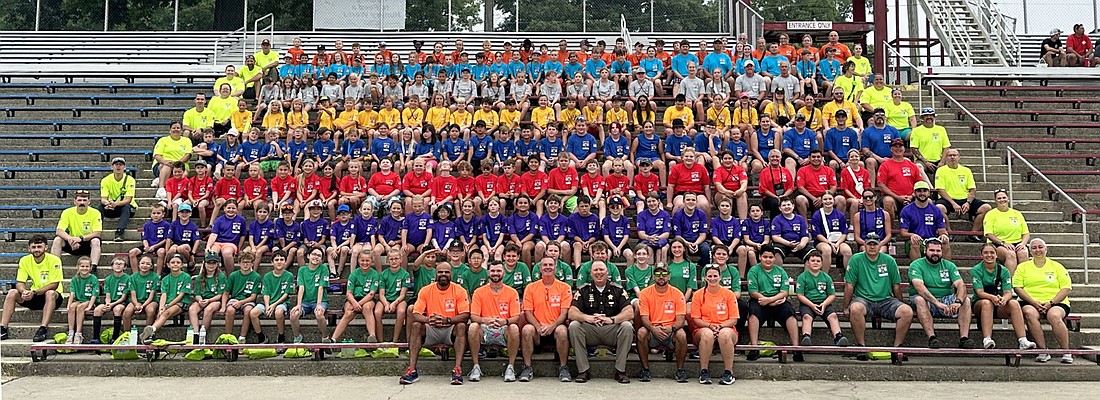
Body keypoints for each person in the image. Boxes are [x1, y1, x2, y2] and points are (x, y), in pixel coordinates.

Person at [400, 263, 470, 385]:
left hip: (450, 328)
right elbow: (416, 313)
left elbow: (465, 315)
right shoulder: (426, 290)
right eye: (440, 272)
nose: (443, 274)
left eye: (446, 272)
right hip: (431, 327)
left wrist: (447, 320)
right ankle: (412, 369)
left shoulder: (459, 290)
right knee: (416, 325)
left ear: (451, 274)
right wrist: (429, 320)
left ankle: (457, 369)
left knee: (462, 326)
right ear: (435, 273)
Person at [844, 233, 913, 352]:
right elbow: (849, 285)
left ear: (880, 245)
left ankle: (897, 348)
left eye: (875, 244)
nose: (872, 247)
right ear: (864, 245)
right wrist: (846, 306)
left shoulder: (889, 260)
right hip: (863, 299)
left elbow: (896, 286)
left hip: (886, 299)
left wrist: (900, 302)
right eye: (869, 244)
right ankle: (861, 346)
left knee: (907, 311)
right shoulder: (856, 259)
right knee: (855, 308)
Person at [568, 261, 634, 383]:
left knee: (627, 326)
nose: (599, 273)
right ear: (591, 273)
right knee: (574, 325)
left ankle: (620, 371)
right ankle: (583, 371)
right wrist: (588, 318)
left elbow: (629, 312)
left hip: (611, 330)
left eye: (601, 270)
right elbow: (572, 312)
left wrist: (612, 320)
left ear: (607, 272)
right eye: (596, 270)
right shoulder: (583, 290)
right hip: (590, 330)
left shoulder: (618, 289)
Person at [1014, 238, 1074, 363]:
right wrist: (1033, 302)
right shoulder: (1023, 267)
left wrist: (1050, 303)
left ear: (1046, 249)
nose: (1038, 250)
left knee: (1054, 316)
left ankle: (1066, 352)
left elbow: (1066, 288)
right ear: (1030, 251)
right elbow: (1018, 287)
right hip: (1030, 302)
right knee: (1029, 313)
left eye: (1040, 247)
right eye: (1034, 248)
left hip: (1055, 302)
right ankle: (1043, 350)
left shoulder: (1057, 266)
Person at [908, 239, 975, 348]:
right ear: (925, 250)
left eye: (938, 250)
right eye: (932, 250)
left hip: (945, 298)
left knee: (966, 301)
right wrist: (937, 303)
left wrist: (958, 301)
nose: (935, 253)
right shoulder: (916, 265)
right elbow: (919, 287)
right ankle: (932, 338)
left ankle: (964, 338)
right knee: (919, 300)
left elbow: (960, 285)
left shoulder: (949, 265)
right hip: (924, 300)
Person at [971, 243, 1037, 350]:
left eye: (992, 252)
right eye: (986, 253)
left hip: (998, 302)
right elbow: (979, 292)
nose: (989, 255)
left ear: (996, 255)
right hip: (980, 304)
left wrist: (1004, 299)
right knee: (986, 303)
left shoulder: (1004, 270)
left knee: (1014, 303)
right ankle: (987, 338)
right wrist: (992, 298)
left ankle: (1022, 340)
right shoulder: (976, 270)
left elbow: (1008, 291)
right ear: (981, 255)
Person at [1, 235, 64, 342]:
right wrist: (24, 291)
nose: (36, 250)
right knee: (12, 292)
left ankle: (43, 328)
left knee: (50, 293)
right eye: (34, 247)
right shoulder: (24, 260)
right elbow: (20, 282)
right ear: (29, 248)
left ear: (46, 247)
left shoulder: (55, 260)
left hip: (52, 297)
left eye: (39, 247)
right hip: (33, 295)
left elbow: (54, 284)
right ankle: (2, 328)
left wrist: (34, 292)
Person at [468, 262, 523, 382]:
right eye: (492, 271)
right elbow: (474, 316)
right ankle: (476, 366)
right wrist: (485, 320)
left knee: (514, 327)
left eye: (498, 271)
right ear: (488, 273)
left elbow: (516, 317)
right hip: (485, 328)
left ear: (504, 273)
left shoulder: (512, 292)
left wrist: (505, 321)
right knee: (472, 327)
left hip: (503, 328)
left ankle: (511, 367)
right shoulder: (479, 292)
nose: (495, 273)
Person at [745, 245, 801, 362]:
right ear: (760, 257)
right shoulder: (754, 270)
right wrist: (765, 300)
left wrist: (771, 300)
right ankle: (754, 348)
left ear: (774, 258)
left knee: (790, 313)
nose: (768, 259)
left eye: (770, 257)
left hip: (777, 301)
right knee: (753, 314)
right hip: (760, 300)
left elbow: (784, 291)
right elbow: (753, 291)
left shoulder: (780, 271)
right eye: (765, 257)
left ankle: (796, 349)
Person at [520, 258, 573, 382]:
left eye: (551, 265)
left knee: (562, 331)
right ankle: (527, 367)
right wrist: (538, 326)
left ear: (555, 268)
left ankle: (564, 367)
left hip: (555, 328)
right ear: (540, 268)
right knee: (527, 329)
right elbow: (528, 312)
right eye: (545, 265)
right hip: (537, 330)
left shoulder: (564, 287)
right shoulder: (531, 287)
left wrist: (552, 326)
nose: (548, 267)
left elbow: (564, 312)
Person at [636, 264, 689, 383]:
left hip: (671, 330)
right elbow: (644, 318)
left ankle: (680, 370)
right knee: (641, 332)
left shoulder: (677, 293)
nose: (661, 277)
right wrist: (653, 329)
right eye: (658, 274)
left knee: (682, 335)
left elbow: (680, 320)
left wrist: (671, 328)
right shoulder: (644, 293)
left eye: (664, 274)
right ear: (653, 276)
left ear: (669, 276)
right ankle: (645, 369)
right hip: (652, 330)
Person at [690, 264, 739, 385]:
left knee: (725, 334)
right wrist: (710, 326)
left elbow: (734, 319)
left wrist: (721, 326)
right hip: (704, 328)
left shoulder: (728, 294)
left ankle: (729, 372)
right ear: (705, 278)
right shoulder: (698, 295)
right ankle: (704, 372)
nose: (712, 278)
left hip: (726, 327)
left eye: (715, 276)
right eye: (709, 276)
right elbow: (696, 319)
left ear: (720, 277)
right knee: (707, 334)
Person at [934, 148, 991, 237]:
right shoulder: (941, 170)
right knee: (939, 208)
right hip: (948, 199)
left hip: (964, 199)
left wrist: (968, 202)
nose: (952, 157)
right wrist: (953, 203)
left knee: (986, 207)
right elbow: (940, 190)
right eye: (950, 155)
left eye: (954, 155)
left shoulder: (966, 170)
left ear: (959, 157)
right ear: (946, 158)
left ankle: (973, 234)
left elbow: (972, 189)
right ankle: (949, 232)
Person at [796, 251, 848, 347]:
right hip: (808, 303)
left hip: (824, 303)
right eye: (813, 261)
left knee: (833, 316)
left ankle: (838, 336)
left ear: (822, 263)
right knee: (807, 317)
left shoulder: (826, 277)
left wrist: (824, 304)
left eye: (818, 261)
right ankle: (806, 336)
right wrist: (811, 305)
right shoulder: (802, 277)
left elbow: (832, 294)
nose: (815, 263)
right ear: (807, 263)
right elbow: (800, 295)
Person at [51, 189, 103, 273]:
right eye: (79, 200)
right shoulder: (67, 212)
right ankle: (54, 266)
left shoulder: (95, 213)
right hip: (72, 243)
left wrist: (81, 238)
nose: (82, 202)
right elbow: (59, 231)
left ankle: (93, 267)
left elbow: (97, 233)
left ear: (89, 202)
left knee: (96, 240)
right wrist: (70, 239)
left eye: (84, 200)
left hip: (86, 242)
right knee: (57, 239)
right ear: (75, 201)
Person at [899, 181, 952, 261]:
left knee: (945, 242)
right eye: (919, 191)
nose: (922, 193)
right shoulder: (906, 210)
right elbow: (903, 233)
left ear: (929, 193)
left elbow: (942, 230)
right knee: (914, 242)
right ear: (914, 193)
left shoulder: (936, 210)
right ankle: (917, 270)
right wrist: (912, 235)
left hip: (932, 241)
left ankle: (945, 269)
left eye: (925, 191)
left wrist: (944, 235)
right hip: (915, 241)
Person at [984, 189, 1030, 275]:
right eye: (999, 198)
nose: (1002, 200)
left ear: (1008, 199)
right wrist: (1003, 243)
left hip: (1017, 242)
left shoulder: (1017, 213)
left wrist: (1023, 244)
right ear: (995, 200)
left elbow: (1026, 233)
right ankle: (1011, 284)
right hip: (998, 244)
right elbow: (988, 234)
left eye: (1004, 197)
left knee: (1023, 253)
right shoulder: (990, 214)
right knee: (1011, 254)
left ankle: (1024, 281)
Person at [877, 138, 924, 220]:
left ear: (904, 149)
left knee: (928, 201)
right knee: (888, 201)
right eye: (895, 147)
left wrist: (912, 196)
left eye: (900, 146)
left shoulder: (912, 165)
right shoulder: (885, 165)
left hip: (911, 197)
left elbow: (919, 183)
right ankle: (890, 230)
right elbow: (881, 185)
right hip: (893, 197)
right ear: (891, 149)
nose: (898, 149)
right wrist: (897, 197)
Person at [810, 192, 852, 273]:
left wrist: (838, 243)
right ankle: (825, 277)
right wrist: (829, 243)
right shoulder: (817, 215)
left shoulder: (840, 215)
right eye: (825, 199)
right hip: (822, 241)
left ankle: (848, 277)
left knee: (847, 250)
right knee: (827, 250)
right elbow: (818, 234)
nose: (828, 201)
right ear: (821, 201)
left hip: (838, 241)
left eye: (830, 199)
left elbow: (844, 233)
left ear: (834, 200)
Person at [909, 107, 951, 175]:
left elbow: (946, 147)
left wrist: (942, 162)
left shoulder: (941, 129)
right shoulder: (916, 131)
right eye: (926, 115)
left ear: (934, 117)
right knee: (918, 167)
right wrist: (926, 162)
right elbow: (914, 149)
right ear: (922, 118)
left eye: (931, 115)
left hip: (939, 160)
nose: (929, 117)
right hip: (922, 161)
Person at [770, 197, 812, 262]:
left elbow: (805, 236)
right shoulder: (777, 219)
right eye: (784, 205)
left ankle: (808, 272)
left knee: (812, 255)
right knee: (776, 252)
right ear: (780, 208)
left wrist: (802, 245)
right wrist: (788, 243)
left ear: (793, 206)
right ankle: (778, 272)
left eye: (788, 205)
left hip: (798, 243)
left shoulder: (800, 218)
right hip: (782, 244)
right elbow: (775, 237)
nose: (786, 207)